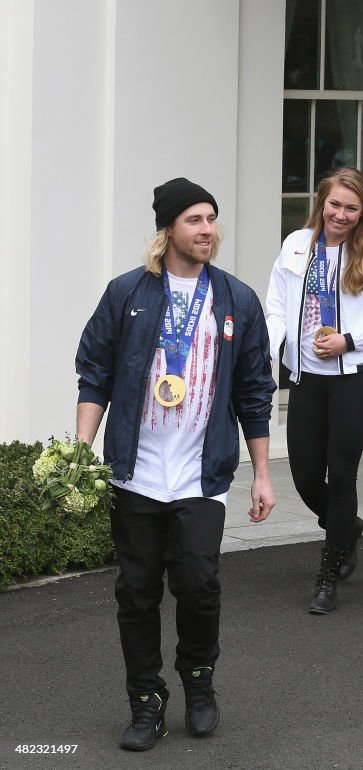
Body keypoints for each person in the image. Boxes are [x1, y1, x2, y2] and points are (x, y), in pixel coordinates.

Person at [75, 178, 277, 751]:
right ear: (168, 229)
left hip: (200, 473)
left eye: (212, 218)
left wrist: (261, 474)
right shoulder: (128, 293)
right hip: (135, 471)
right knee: (135, 591)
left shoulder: (236, 299)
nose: (207, 229)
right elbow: (95, 372)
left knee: (199, 585)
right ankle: (145, 701)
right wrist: (81, 454)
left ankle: (198, 682)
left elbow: (255, 391)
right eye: (194, 220)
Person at [266, 167, 363, 613]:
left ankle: (327, 574)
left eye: (352, 208)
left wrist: (349, 340)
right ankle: (347, 527)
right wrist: (269, 354)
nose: (341, 215)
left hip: (354, 381)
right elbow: (275, 305)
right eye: (335, 205)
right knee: (306, 476)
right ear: (321, 202)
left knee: (341, 473)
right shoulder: (295, 244)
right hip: (306, 379)